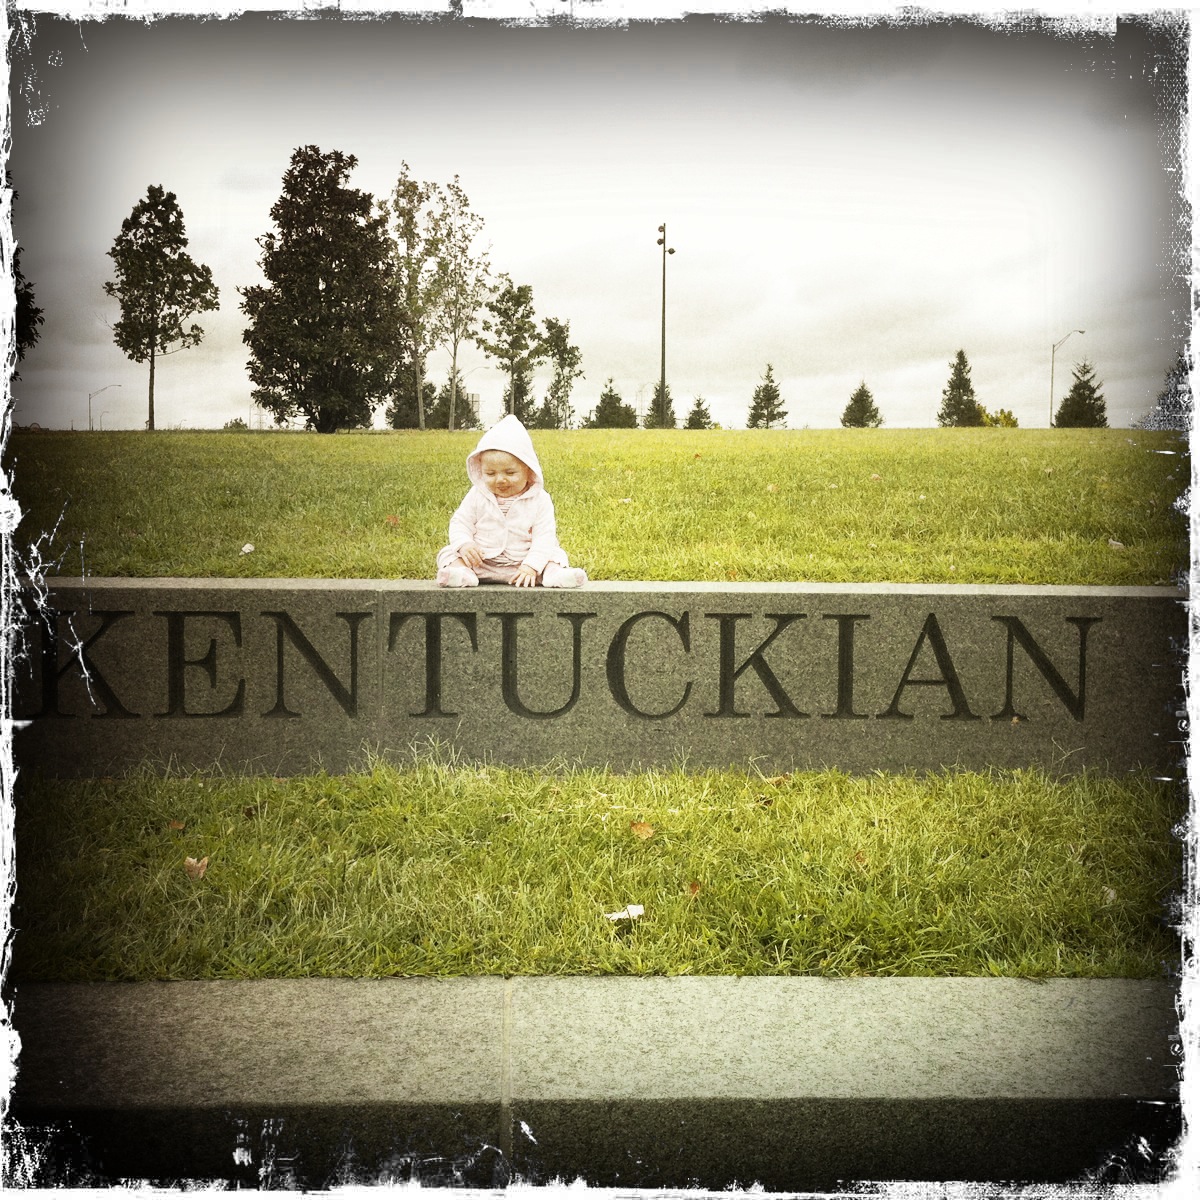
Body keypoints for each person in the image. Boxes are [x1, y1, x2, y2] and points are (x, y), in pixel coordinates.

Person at [435, 413, 587, 588]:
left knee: (554, 553)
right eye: (490, 473)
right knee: (448, 552)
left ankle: (555, 576)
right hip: (481, 563)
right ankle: (462, 574)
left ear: (528, 471)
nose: (500, 480)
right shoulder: (477, 495)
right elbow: (460, 522)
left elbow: (544, 536)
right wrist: (465, 544)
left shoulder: (540, 499)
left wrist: (531, 566)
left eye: (510, 473)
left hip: (522, 567)